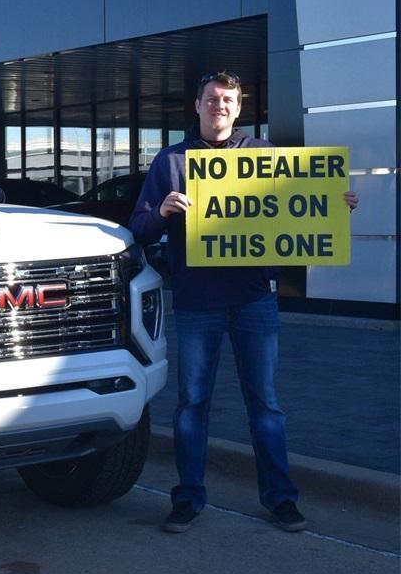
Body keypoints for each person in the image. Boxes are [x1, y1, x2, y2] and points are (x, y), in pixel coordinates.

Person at [129, 70, 359, 533]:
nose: (220, 106)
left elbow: (296, 212)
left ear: (239, 108)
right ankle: (189, 498)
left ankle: (280, 499)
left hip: (255, 300)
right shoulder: (171, 161)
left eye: (228, 100)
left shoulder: (262, 156)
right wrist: (162, 212)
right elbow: (138, 228)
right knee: (192, 403)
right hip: (197, 304)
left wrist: (334, 205)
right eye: (212, 98)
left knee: (266, 404)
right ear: (196, 106)